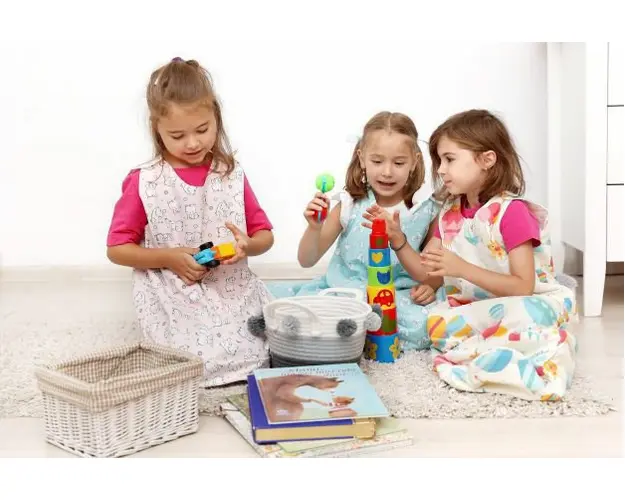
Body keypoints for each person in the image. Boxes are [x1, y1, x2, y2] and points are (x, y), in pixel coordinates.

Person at [106, 57, 274, 387]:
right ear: (157, 129)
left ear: (216, 119)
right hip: (174, 293)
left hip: (230, 288)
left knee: (261, 345)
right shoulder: (145, 181)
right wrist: (169, 258)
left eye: (202, 130)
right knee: (187, 362)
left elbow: (264, 235)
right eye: (178, 135)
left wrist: (249, 245)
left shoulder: (231, 175)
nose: (193, 143)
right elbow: (117, 249)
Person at [421, 109, 577, 401]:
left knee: (530, 314)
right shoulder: (449, 214)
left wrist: (461, 268)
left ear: (487, 160)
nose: (441, 170)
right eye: (439, 161)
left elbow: (523, 286)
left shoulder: (512, 212)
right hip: (476, 307)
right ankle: (498, 350)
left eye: (450, 159)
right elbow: (430, 271)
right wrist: (399, 241)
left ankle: (502, 352)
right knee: (435, 322)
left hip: (524, 302)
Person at [280, 111, 442, 351]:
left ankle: (357, 337)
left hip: (397, 297)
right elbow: (307, 260)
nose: (387, 172)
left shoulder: (426, 209)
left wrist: (432, 286)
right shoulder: (350, 203)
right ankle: (353, 335)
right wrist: (314, 228)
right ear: (361, 158)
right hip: (346, 295)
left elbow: (434, 271)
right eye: (377, 161)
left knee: (427, 324)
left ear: (415, 161)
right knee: (310, 316)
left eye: (398, 163)